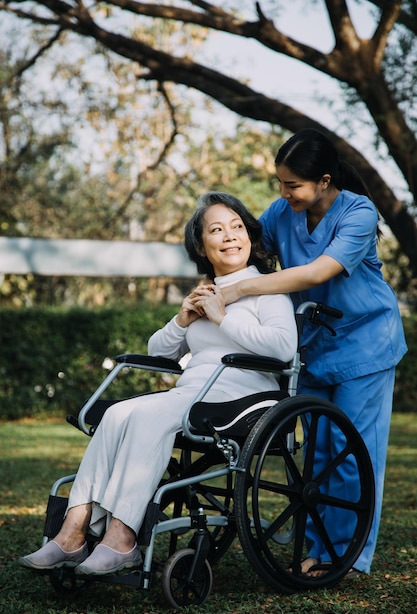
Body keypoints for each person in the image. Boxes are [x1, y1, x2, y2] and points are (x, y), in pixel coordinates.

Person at [18, 191, 297, 576]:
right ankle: (72, 532)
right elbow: (159, 351)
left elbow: (284, 348)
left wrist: (222, 318)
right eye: (217, 230)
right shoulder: (205, 291)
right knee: (117, 413)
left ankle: (122, 538)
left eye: (237, 227)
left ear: (250, 235)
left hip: (244, 394)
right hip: (195, 391)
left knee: (152, 415)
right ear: (201, 245)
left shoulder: (267, 286)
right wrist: (182, 320)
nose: (231, 236)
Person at [219, 129, 407, 577]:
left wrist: (239, 289)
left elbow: (317, 271)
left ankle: (343, 556)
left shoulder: (358, 212)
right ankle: (319, 549)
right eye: (280, 184)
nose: (284, 194)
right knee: (318, 454)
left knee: (349, 448)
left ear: (324, 181)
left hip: (367, 342)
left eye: (293, 185)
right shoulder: (283, 212)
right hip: (315, 344)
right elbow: (250, 247)